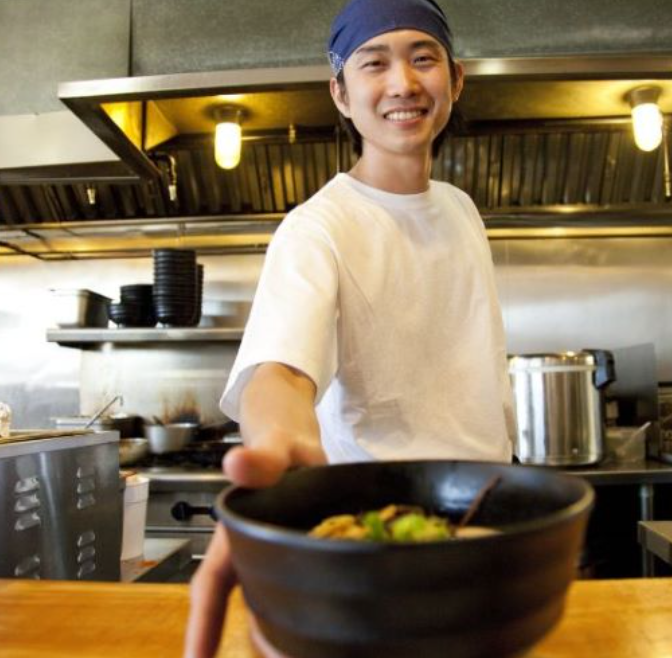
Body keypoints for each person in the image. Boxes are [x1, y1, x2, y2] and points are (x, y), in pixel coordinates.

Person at [184, 1, 514, 655]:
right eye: (374, 63)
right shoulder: (318, 228)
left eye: (423, 58)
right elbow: (280, 370)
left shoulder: (461, 209)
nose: (403, 83)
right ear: (340, 92)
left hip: (486, 524)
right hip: (376, 540)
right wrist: (281, 445)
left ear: (456, 79)